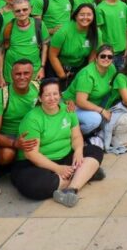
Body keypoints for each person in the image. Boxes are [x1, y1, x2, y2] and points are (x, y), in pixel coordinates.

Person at [10, 78, 104, 206]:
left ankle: (71, 190)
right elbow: (32, 155)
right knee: (32, 186)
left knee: (95, 150)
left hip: (64, 157)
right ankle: (83, 175)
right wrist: (58, 169)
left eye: (55, 94)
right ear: (40, 98)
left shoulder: (68, 110)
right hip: (36, 164)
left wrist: (78, 151)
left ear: (60, 95)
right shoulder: (32, 119)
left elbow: (76, 136)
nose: (52, 98)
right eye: (47, 95)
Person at [0, 59, 41, 167]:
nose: (22, 77)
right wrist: (15, 143)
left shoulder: (38, 88)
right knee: (6, 155)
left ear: (32, 74)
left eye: (26, 73)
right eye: (18, 74)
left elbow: (57, 100)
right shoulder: (0, 96)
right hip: (9, 136)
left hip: (34, 132)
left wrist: (69, 101)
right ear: (11, 75)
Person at [47, 3, 98, 85]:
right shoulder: (63, 32)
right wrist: (62, 75)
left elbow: (93, 55)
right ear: (76, 16)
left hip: (80, 67)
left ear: (93, 17)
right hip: (59, 67)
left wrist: (88, 73)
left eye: (89, 15)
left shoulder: (96, 32)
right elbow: (52, 55)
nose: (85, 17)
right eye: (82, 15)